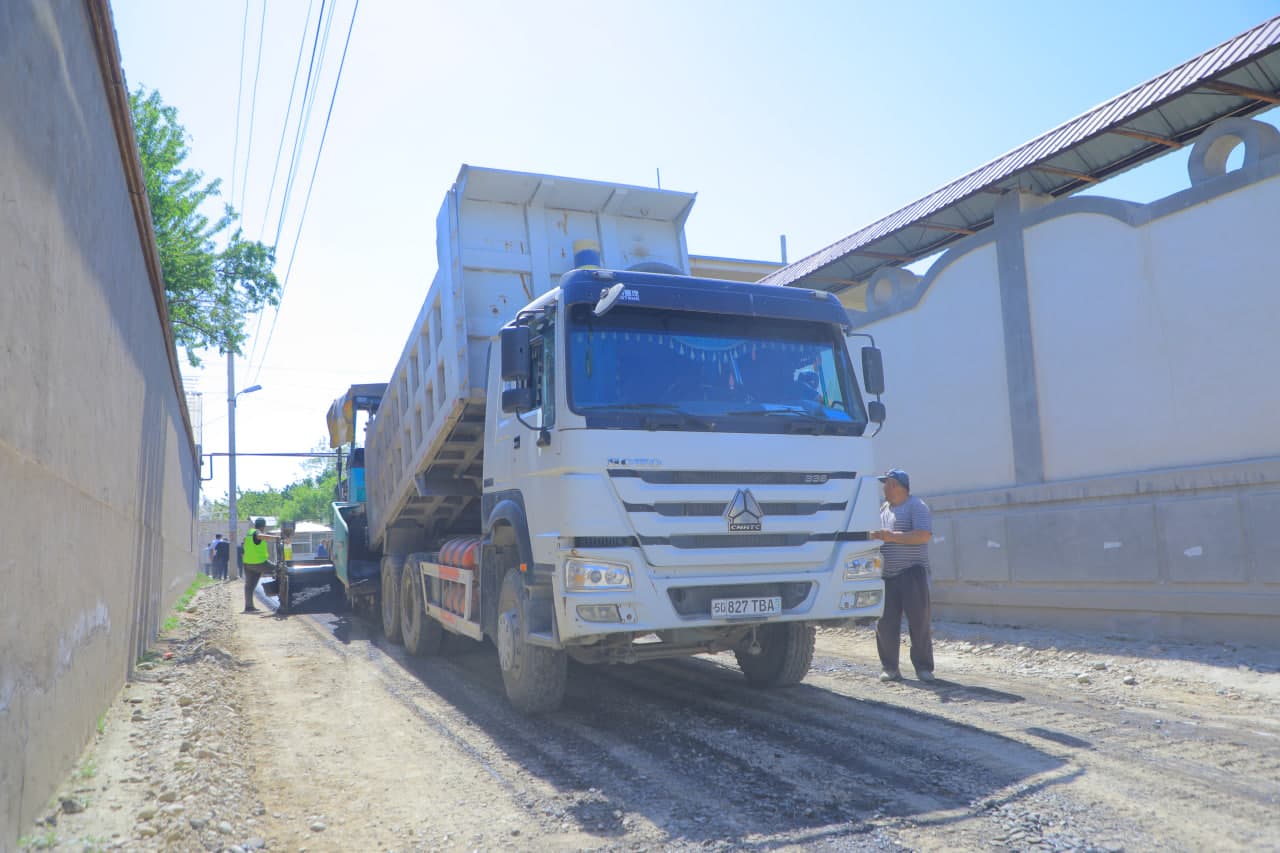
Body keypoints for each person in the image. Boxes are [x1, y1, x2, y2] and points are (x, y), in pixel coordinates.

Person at [872, 469, 935, 683]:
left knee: (919, 622)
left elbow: (923, 536)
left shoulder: (917, 506)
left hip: (912, 572)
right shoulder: (883, 509)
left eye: (886, 484)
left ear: (896, 485)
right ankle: (889, 668)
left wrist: (891, 537)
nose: (883, 488)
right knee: (885, 624)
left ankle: (923, 668)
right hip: (886, 575)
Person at [241, 518, 280, 613]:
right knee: (280, 571)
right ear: (263, 526)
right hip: (260, 563)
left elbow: (245, 543)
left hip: (248, 563)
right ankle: (282, 600)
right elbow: (260, 536)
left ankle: (249, 607)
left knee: (249, 586)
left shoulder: (249, 533)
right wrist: (277, 538)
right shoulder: (257, 532)